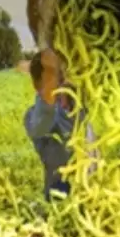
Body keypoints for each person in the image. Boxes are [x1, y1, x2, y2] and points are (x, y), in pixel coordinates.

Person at [24, 48, 96, 201]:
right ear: (36, 84)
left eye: (62, 71)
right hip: (61, 198)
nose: (61, 78)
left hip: (93, 193)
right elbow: (40, 126)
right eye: (52, 74)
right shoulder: (34, 117)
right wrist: (49, 93)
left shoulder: (79, 107)